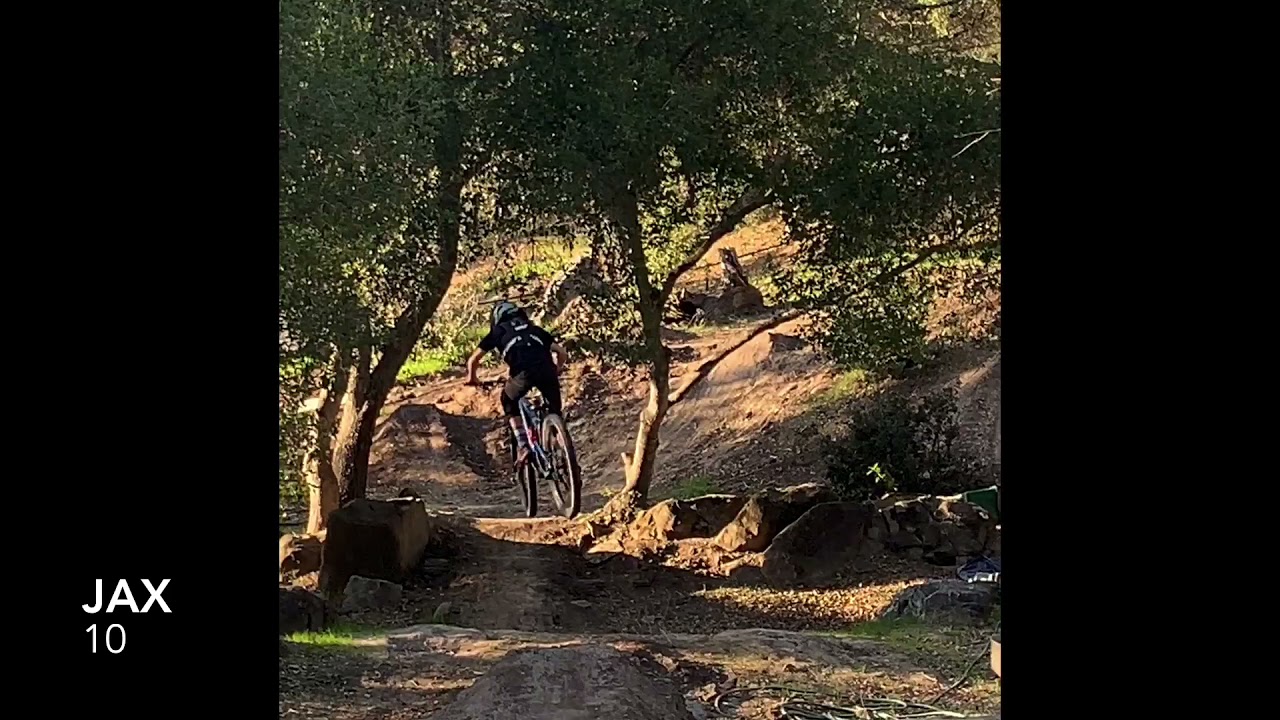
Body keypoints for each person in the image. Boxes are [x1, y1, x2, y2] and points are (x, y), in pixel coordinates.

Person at [465, 300, 568, 468]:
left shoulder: (497, 332)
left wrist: (472, 379)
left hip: (522, 374)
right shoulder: (534, 329)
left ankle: (523, 446)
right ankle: (564, 450)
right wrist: (556, 370)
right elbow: (561, 352)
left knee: (508, 401)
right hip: (547, 371)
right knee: (555, 411)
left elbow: (473, 361)